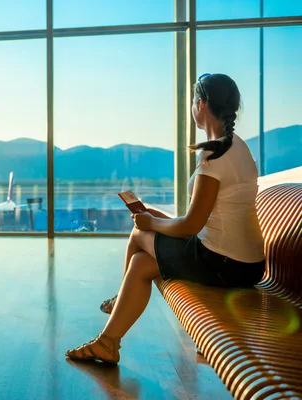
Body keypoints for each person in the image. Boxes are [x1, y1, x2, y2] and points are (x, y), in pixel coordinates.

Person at [65, 73, 266, 364]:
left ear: (201, 104)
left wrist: (150, 224)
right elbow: (203, 218)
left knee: (138, 234)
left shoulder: (213, 154)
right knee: (142, 263)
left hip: (225, 264)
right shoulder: (238, 147)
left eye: (194, 102)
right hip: (246, 264)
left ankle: (118, 303)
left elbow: (192, 226)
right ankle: (108, 342)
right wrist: (158, 219)